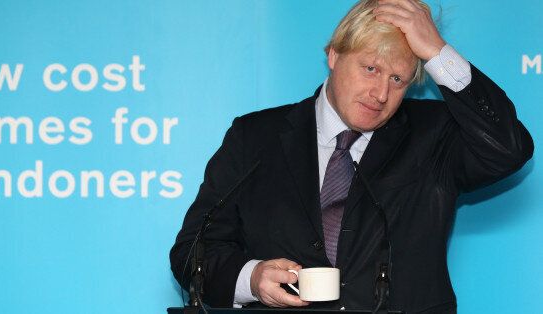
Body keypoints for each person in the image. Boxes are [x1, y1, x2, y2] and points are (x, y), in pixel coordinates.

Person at [170, 0, 534, 312]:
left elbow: (508, 148)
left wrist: (438, 52)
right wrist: (252, 277)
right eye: (370, 68)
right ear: (333, 54)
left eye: (397, 80)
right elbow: (192, 251)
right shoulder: (254, 137)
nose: (379, 93)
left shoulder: (435, 134)